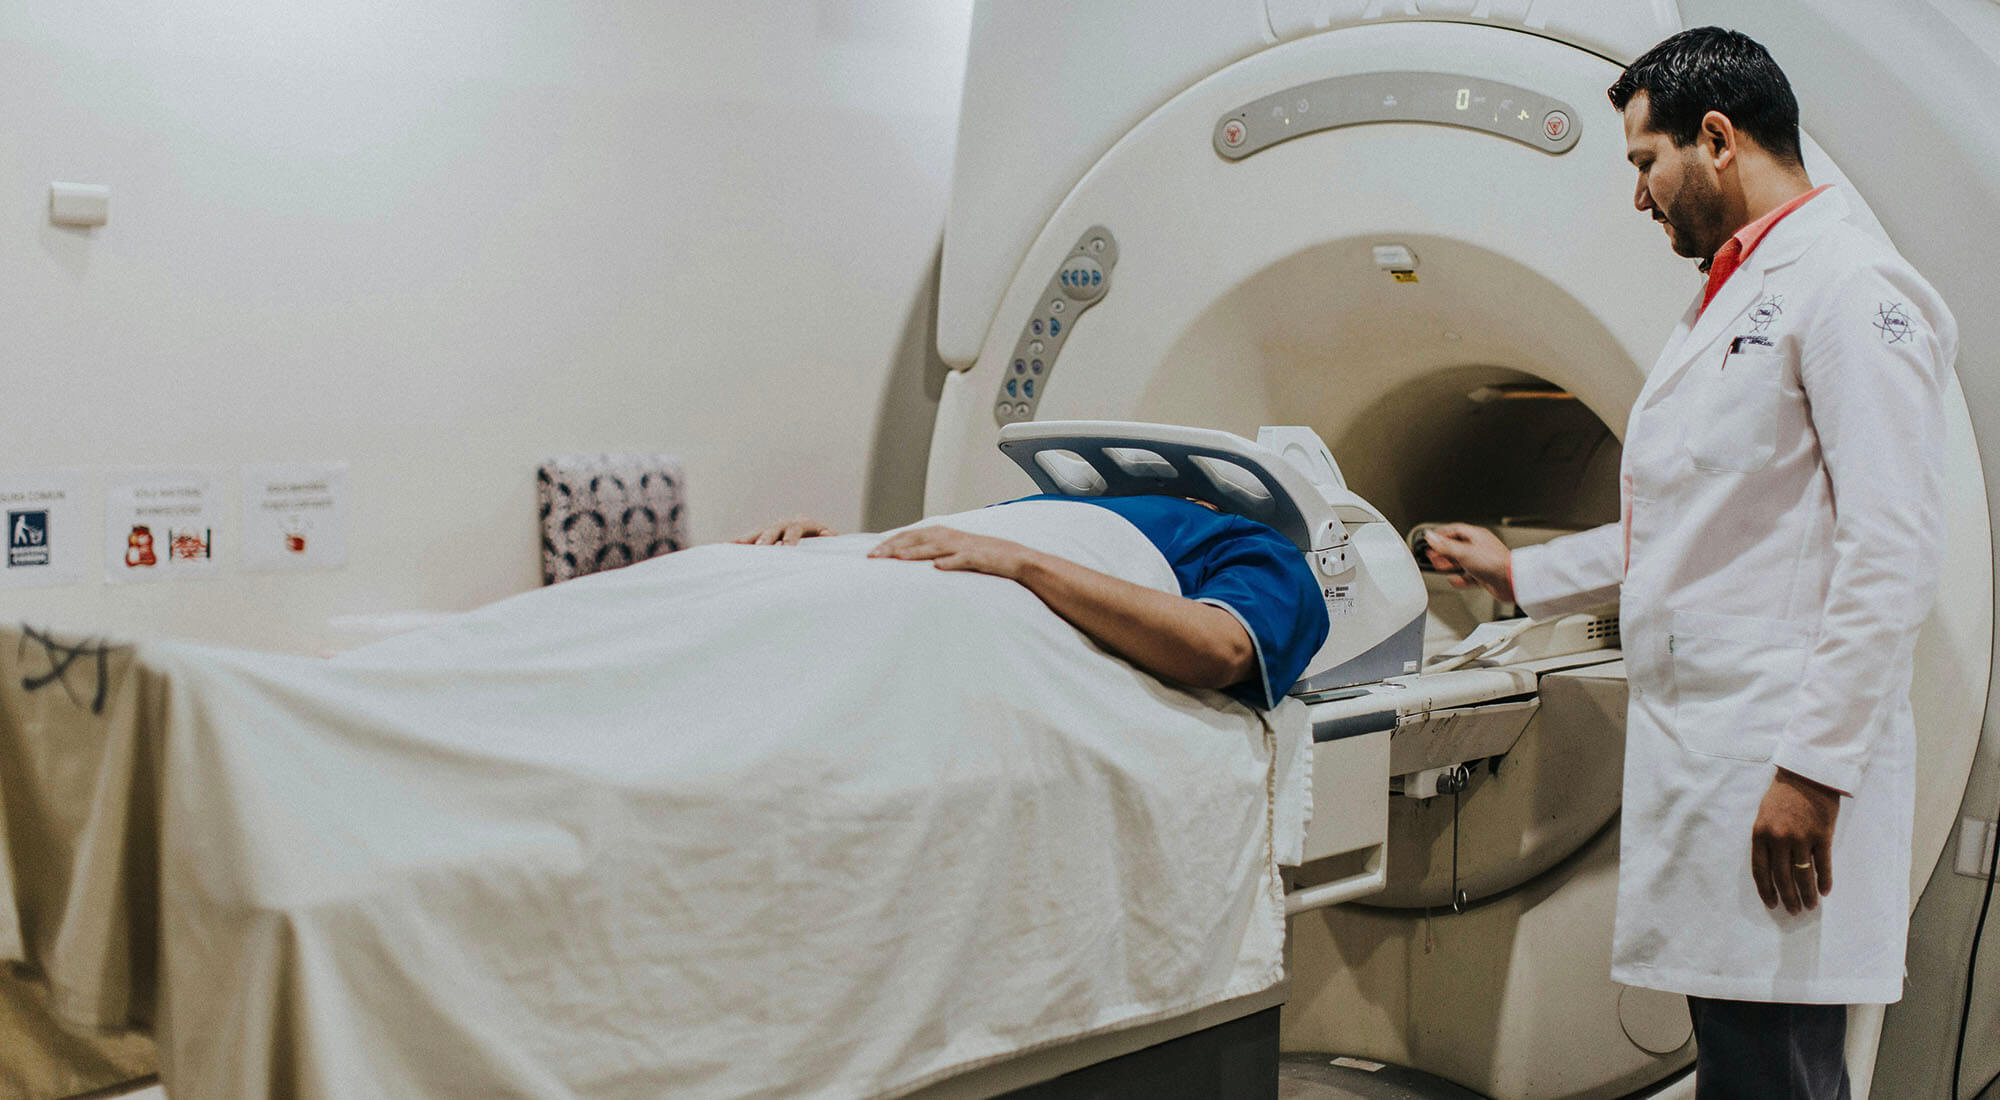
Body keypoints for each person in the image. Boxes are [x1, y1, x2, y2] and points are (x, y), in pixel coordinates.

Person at [1423, 27, 1954, 1100]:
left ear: (1715, 138)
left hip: (1778, 768)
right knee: (1741, 1065)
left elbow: (1890, 544)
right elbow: (1692, 519)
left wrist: (1811, 771)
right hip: (1716, 763)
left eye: (1642, 163)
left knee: (1778, 1071)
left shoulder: (1849, 286)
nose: (1637, 197)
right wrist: (1521, 574)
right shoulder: (1732, 295)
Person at [737, 492, 1331, 711]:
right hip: (837, 573)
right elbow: (940, 557)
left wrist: (1025, 562)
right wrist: (842, 549)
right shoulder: (1032, 509)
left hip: (936, 606)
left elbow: (1222, 648)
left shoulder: (1249, 541)